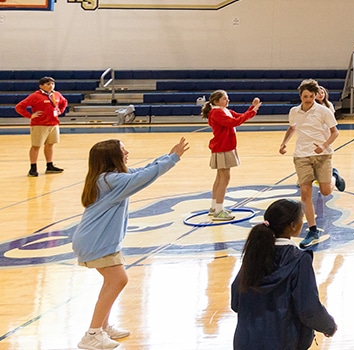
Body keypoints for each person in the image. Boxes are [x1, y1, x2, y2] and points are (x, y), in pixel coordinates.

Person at [74, 138, 189, 350]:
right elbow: (144, 177)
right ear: (112, 157)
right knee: (118, 280)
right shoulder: (112, 181)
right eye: (122, 150)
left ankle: (102, 327)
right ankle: (91, 335)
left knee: (111, 282)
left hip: (97, 240)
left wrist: (166, 156)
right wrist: (173, 159)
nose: (127, 152)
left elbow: (141, 171)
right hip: (96, 241)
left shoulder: (108, 177)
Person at [231, 199, 337, 349]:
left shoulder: (254, 255)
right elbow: (308, 308)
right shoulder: (299, 260)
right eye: (302, 219)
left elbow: (236, 301)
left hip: (246, 341)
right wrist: (328, 325)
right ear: (293, 226)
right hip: (284, 342)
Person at [280, 79, 344, 248]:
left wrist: (324, 145)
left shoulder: (323, 111)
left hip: (322, 155)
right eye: (304, 96)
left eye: (310, 96)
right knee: (305, 193)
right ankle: (312, 229)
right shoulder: (294, 112)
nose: (307, 99)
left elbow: (335, 132)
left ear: (316, 96)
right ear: (300, 96)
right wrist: (284, 143)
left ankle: (334, 177)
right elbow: (292, 128)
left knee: (325, 191)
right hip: (302, 155)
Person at [202, 90, 262, 221]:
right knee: (224, 178)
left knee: (219, 178)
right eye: (224, 99)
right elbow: (235, 122)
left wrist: (252, 108)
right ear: (216, 101)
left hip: (224, 147)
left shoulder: (223, 110)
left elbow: (239, 116)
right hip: (223, 148)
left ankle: (214, 207)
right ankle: (218, 210)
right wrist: (252, 110)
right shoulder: (217, 112)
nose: (227, 101)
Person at [15, 77, 68, 177]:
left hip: (53, 123)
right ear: (41, 86)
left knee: (50, 144)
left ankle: (49, 165)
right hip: (40, 124)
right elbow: (19, 107)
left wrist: (60, 110)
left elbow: (64, 102)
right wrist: (30, 115)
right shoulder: (35, 96)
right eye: (48, 84)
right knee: (36, 146)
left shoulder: (56, 94)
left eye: (52, 84)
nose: (51, 86)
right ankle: (33, 168)